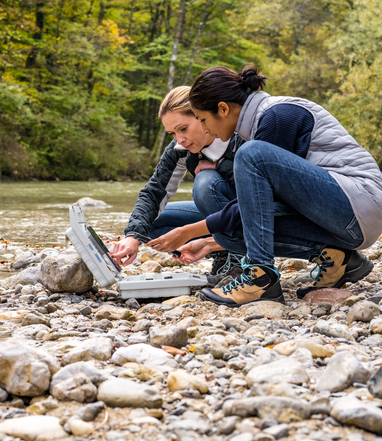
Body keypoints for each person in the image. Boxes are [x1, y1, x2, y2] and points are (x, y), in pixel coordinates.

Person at [159, 65, 382, 307]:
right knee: (230, 233)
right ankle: (339, 260)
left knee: (251, 155)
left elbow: (254, 205)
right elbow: (256, 207)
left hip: (358, 206)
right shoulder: (256, 125)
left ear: (223, 109)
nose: (203, 128)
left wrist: (190, 231)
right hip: (346, 221)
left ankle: (260, 277)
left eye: (202, 119)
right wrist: (212, 238)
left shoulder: (277, 116)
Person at [111, 86, 244, 277]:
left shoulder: (238, 135)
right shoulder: (180, 148)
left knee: (206, 183)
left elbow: (260, 190)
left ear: (201, 115)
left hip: (252, 214)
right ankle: (222, 252)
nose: (179, 139)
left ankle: (239, 254)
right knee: (151, 225)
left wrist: (218, 165)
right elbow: (154, 192)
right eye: (172, 133)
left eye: (183, 128)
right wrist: (132, 236)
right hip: (219, 217)